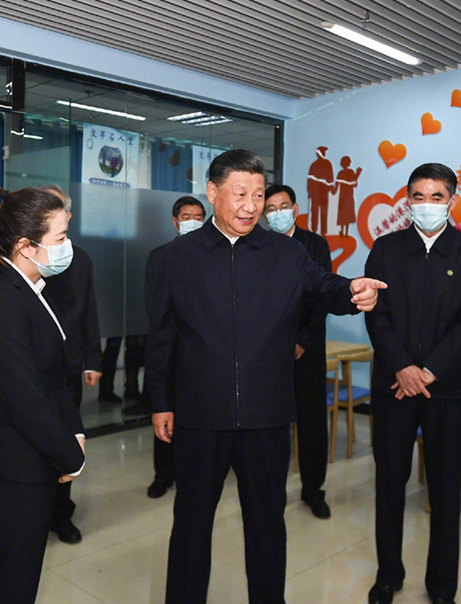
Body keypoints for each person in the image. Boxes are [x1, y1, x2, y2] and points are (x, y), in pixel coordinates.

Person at [146, 149, 386, 603]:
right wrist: (161, 401)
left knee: (267, 525)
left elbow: (324, 286)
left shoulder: (285, 252)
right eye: (240, 194)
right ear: (213, 192)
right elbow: (162, 337)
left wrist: (352, 290)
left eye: (258, 195)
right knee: (191, 524)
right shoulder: (176, 258)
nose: (251, 206)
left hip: (267, 415)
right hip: (201, 415)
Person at [363, 163, 461, 604]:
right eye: (419, 197)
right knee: (389, 484)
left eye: (437, 197)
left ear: (452, 201)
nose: (427, 205)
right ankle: (388, 575)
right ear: (408, 201)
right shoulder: (386, 248)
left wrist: (428, 371)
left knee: (445, 489)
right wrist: (402, 367)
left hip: (447, 390)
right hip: (393, 388)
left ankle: (441, 586)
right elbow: (376, 316)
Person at [0, 185, 86, 604]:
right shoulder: (1, 301)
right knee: (13, 590)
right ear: (25, 246)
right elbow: (25, 398)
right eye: (60, 237)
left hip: (32, 464)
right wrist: (70, 456)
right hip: (14, 473)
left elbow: (54, 377)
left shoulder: (31, 288)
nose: (68, 247)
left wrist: (75, 429)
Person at [263, 183, 334, 519]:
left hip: (308, 350)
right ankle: (271, 491)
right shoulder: (259, 246)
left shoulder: (315, 244)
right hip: (269, 353)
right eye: (271, 209)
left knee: (311, 423)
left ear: (295, 208)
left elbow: (322, 296)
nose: (278, 213)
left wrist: (302, 340)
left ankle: (313, 491)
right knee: (271, 426)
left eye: (283, 206)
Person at [40, 184, 103, 543]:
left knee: (67, 439)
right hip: (29, 366)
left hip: (68, 366)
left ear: (68, 215)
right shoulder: (18, 254)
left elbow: (88, 309)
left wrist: (93, 358)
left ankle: (60, 512)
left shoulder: (79, 258)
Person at [144, 195, 206, 499]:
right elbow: (153, 307)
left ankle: (193, 474)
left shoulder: (214, 255)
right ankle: (163, 475)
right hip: (170, 350)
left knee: (198, 418)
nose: (192, 221)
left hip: (203, 352)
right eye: (186, 217)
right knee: (165, 413)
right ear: (175, 221)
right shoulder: (159, 256)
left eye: (198, 216)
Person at [307, 146, 336, 236]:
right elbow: (310, 180)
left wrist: (310, 192)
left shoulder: (323, 164)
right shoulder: (322, 164)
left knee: (320, 212)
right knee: (319, 212)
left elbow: (330, 178)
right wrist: (332, 189)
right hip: (318, 193)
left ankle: (319, 231)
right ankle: (318, 231)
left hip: (320, 193)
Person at [336, 156, 362, 237]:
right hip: (346, 196)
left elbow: (354, 183)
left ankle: (345, 232)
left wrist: (357, 175)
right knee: (345, 214)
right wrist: (356, 175)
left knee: (345, 215)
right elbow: (354, 183)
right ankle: (344, 232)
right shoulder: (347, 172)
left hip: (345, 196)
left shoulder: (342, 173)